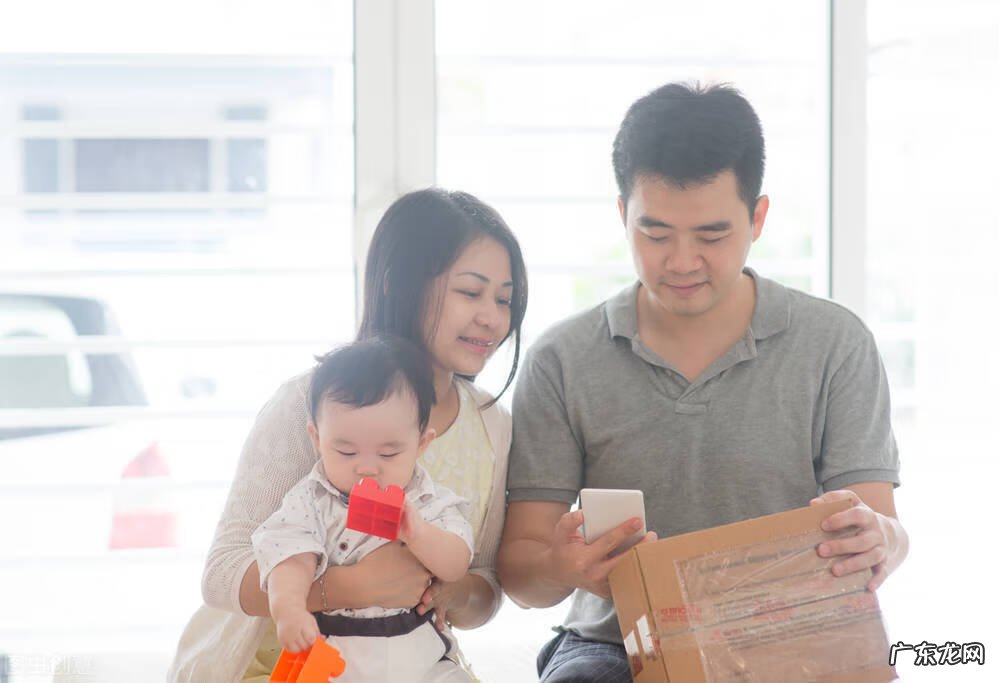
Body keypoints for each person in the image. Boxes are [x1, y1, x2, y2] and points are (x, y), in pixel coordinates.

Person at [497, 82, 909, 682]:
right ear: (622, 215)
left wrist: (879, 542)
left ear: (758, 217)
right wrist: (563, 567)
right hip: (619, 644)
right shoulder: (563, 359)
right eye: (655, 234)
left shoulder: (834, 344)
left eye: (712, 236)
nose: (682, 261)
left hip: (787, 635)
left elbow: (882, 529)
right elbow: (521, 571)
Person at [168, 187, 528, 682]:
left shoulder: (491, 424)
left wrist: (448, 590)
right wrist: (350, 588)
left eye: (504, 299)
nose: (493, 318)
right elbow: (222, 571)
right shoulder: (309, 403)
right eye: (471, 292)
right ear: (398, 284)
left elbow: (484, 584)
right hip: (281, 665)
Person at [253, 337, 473, 681]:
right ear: (317, 439)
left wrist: (419, 534)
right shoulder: (310, 501)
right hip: (337, 657)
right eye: (345, 452)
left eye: (388, 454)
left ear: (421, 444)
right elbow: (289, 556)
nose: (367, 468)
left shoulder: (429, 502)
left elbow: (457, 563)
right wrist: (290, 608)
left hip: (418, 655)